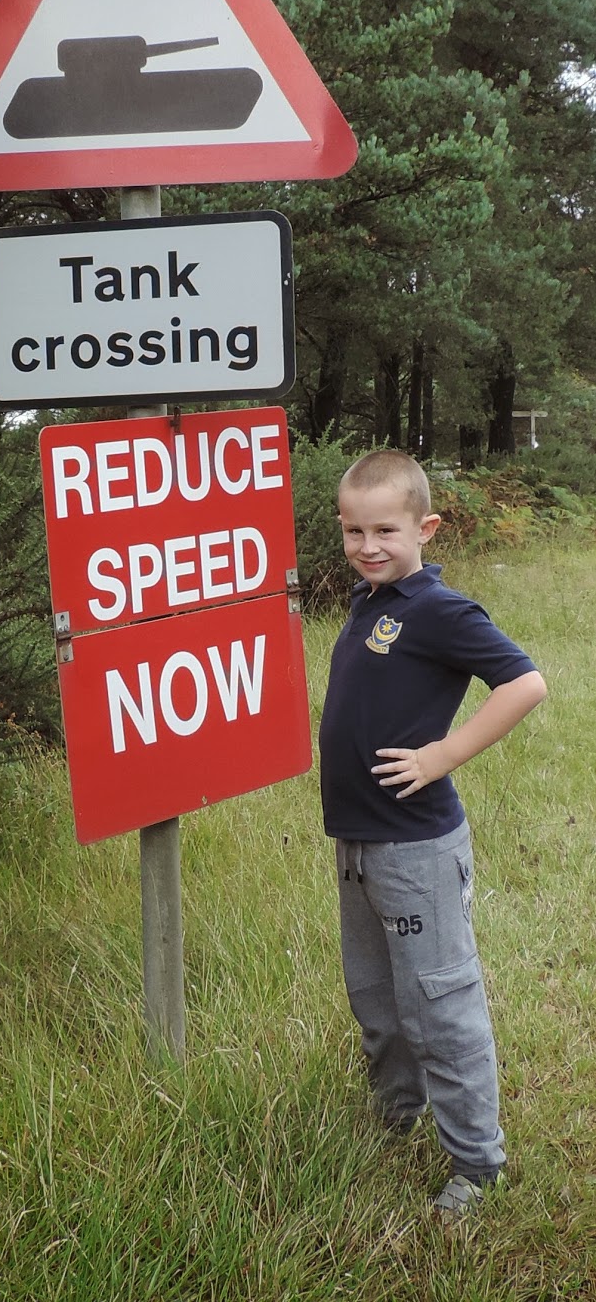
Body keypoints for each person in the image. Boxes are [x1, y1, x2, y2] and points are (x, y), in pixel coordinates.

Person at [319, 449, 547, 1223]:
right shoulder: (368, 599)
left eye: (384, 528)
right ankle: (395, 1114)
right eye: (353, 529)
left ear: (426, 527)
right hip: (357, 843)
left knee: (436, 1005)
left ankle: (476, 1165)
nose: (367, 544)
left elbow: (524, 682)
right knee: (375, 997)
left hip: (415, 848)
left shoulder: (440, 609)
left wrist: (442, 755)